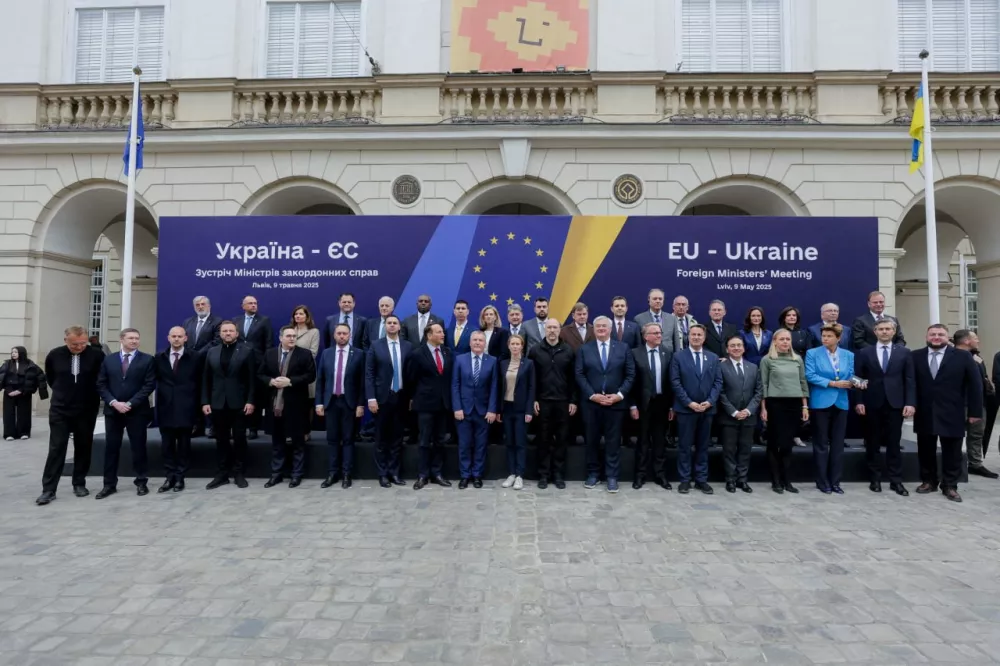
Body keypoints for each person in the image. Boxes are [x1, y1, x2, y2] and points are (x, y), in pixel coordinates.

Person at [913, 324, 983, 502]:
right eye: (933, 334)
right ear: (927, 336)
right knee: (925, 448)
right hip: (925, 411)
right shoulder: (915, 356)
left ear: (947, 337)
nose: (936, 337)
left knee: (952, 451)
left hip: (953, 411)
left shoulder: (963, 356)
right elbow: (911, 384)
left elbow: (975, 385)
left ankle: (950, 485)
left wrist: (975, 411)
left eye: (940, 334)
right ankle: (928, 481)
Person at [37, 326, 105, 505]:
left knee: (83, 447)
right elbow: (51, 378)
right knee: (56, 448)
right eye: (75, 344)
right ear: (66, 339)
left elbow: (101, 378)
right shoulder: (54, 355)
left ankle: (79, 483)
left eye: (83, 343)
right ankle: (49, 489)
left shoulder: (96, 355)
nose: (80, 347)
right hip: (61, 408)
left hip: (86, 408)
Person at [854, 319, 915, 496]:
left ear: (894, 331)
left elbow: (910, 380)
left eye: (888, 329)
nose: (884, 332)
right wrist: (859, 401)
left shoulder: (904, 352)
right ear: (875, 332)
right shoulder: (865, 352)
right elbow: (857, 378)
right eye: (881, 329)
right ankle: (875, 479)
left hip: (896, 404)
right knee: (872, 443)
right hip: (872, 402)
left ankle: (896, 481)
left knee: (894, 443)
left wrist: (910, 402)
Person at [94, 328, 155, 499]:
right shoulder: (109, 360)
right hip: (113, 411)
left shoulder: (147, 360)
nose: (134, 341)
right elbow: (101, 384)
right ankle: (109, 484)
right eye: (131, 338)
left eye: (137, 338)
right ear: (122, 339)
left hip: (137, 411)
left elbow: (149, 385)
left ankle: (141, 482)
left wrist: (130, 403)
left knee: (138, 447)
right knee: (111, 448)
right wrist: (114, 402)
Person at [576, 316, 635, 493]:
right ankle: (593, 474)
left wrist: (619, 395)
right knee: (592, 441)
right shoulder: (584, 349)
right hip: (591, 404)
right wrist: (592, 395)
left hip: (615, 404)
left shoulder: (623, 348)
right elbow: (579, 374)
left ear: (610, 329)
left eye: (604, 326)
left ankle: (612, 476)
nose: (601, 329)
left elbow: (630, 374)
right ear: (594, 329)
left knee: (613, 442)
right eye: (598, 326)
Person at [201, 321, 256, 490]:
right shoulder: (212, 351)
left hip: (239, 402)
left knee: (239, 439)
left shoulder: (247, 351)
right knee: (221, 439)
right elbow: (206, 379)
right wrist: (205, 401)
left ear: (237, 334)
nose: (227, 333)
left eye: (231, 331)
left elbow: (252, 379)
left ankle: (239, 472)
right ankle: (222, 474)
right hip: (217, 402)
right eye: (224, 331)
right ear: (220, 334)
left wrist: (250, 400)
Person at [260, 326, 316, 489]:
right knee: (277, 442)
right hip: (274, 405)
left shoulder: (304, 354)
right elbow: (260, 374)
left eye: (294, 336)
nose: (292, 338)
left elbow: (310, 375)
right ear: (280, 338)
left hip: (296, 405)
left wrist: (290, 381)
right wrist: (270, 381)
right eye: (288, 336)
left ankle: (296, 475)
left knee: (298, 442)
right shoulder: (270, 354)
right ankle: (276, 474)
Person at [669, 324, 722, 495]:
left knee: (703, 446)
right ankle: (685, 480)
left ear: (704, 337)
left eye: (700, 334)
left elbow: (718, 382)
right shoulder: (678, 357)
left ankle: (701, 480)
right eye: (693, 334)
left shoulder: (713, 357)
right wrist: (689, 403)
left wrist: (710, 401)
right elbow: (675, 382)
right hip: (686, 410)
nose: (696, 337)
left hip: (707, 409)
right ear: (688, 337)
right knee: (684, 446)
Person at [805, 324, 854, 495]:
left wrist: (854, 382)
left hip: (841, 402)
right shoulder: (813, 353)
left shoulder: (848, 355)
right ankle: (822, 481)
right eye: (823, 336)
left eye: (829, 336)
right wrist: (832, 383)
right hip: (820, 402)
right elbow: (810, 375)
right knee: (820, 444)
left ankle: (835, 481)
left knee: (838, 444)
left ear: (838, 338)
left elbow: (851, 374)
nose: (825, 339)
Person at [528, 317, 577, 489]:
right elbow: (531, 378)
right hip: (542, 403)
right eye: (549, 327)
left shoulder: (568, 351)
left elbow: (573, 379)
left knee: (561, 441)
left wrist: (573, 400)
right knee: (543, 440)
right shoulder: (535, 350)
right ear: (545, 330)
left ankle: (558, 475)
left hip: (563, 403)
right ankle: (543, 475)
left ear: (559, 330)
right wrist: (533, 399)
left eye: (555, 327)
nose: (552, 330)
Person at [759, 329, 810, 494]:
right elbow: (763, 385)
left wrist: (804, 405)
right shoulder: (767, 360)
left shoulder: (797, 359)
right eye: (782, 339)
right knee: (774, 444)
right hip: (775, 404)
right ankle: (775, 481)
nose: (785, 342)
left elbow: (803, 382)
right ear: (774, 341)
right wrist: (764, 408)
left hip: (794, 404)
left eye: (788, 339)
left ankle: (786, 480)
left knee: (788, 445)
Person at [315, 323, 365, 489]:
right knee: (332, 440)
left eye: (345, 333)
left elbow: (362, 383)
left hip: (349, 402)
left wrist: (360, 404)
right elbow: (321, 380)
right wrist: (319, 402)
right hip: (331, 402)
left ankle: (346, 474)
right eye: (339, 333)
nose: (342, 336)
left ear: (350, 336)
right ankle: (332, 473)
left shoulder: (358, 354)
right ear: (334, 335)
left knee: (348, 440)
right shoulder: (327, 354)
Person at [406, 322, 453, 489]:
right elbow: (411, 379)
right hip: (425, 405)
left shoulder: (447, 352)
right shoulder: (417, 354)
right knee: (424, 441)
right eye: (439, 332)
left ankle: (437, 473)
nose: (443, 335)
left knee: (440, 441)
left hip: (443, 405)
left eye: (442, 332)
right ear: (429, 335)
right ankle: (422, 475)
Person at [366, 314, 411, 487]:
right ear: (385, 326)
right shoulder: (376, 346)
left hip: (401, 398)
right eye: (389, 323)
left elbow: (410, 374)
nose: (392, 325)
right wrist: (371, 398)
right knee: (381, 439)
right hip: (381, 398)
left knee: (397, 438)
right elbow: (369, 374)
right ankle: (382, 473)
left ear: (400, 327)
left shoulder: (408, 346)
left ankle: (394, 473)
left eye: (395, 323)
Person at [155, 327, 200, 493]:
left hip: (186, 407)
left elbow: (200, 381)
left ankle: (180, 477)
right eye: (173, 336)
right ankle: (169, 476)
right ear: (168, 338)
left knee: (183, 445)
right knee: (167, 445)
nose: (176, 339)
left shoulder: (194, 357)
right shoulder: (159, 357)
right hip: (165, 407)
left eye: (180, 336)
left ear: (186, 338)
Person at [629, 322, 673, 490]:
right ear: (645, 336)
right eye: (655, 333)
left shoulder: (667, 353)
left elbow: (671, 382)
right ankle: (640, 476)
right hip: (642, 404)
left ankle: (660, 475)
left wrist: (671, 406)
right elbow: (631, 382)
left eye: (660, 332)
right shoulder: (635, 353)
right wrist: (632, 405)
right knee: (643, 442)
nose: (659, 335)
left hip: (662, 404)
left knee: (660, 442)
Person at [452, 331, 499, 489]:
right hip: (463, 411)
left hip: (484, 411)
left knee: (481, 445)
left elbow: (494, 387)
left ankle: (477, 475)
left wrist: (492, 409)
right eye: (475, 340)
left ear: (484, 343)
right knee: (464, 444)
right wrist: (457, 407)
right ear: (470, 343)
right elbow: (455, 385)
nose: (478, 343)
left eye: (480, 340)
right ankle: (465, 475)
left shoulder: (492, 361)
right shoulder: (459, 359)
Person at [717, 336, 762, 493]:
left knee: (745, 449)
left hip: (748, 417)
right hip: (729, 416)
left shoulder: (753, 367)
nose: (736, 348)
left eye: (739, 345)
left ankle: (742, 479)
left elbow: (758, 391)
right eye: (732, 345)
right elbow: (720, 392)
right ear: (727, 349)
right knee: (729, 450)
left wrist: (748, 410)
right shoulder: (721, 367)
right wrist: (734, 412)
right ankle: (730, 479)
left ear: (744, 348)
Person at [953, 330, 997, 478]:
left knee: (977, 434)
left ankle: (975, 464)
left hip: (978, 403)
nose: (978, 341)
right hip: (959, 404)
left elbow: (982, 380)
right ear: (966, 341)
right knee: (955, 436)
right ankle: (955, 464)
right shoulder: (951, 357)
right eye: (975, 338)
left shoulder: (977, 357)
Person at [235, 295, 274, 440]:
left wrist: (266, 362)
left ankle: (253, 428)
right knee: (240, 395)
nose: (253, 305)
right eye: (250, 303)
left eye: (255, 303)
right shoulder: (236, 321)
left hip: (257, 363)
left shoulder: (264, 320)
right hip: (238, 363)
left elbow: (268, 343)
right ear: (243, 306)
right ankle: (240, 427)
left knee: (255, 396)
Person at [500, 334, 535, 490]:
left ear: (522, 346)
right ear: (508, 346)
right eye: (512, 344)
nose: (515, 346)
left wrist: (529, 410)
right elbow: (498, 387)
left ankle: (520, 475)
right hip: (506, 408)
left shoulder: (528, 364)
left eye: (518, 344)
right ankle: (511, 473)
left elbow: (531, 388)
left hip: (521, 410)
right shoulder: (502, 364)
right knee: (510, 442)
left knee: (520, 442)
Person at [1, 346, 47, 441]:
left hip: (24, 392)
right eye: (12, 352)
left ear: (21, 353)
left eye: (16, 352)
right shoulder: (7, 364)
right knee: (8, 414)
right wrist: (9, 390)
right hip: (9, 392)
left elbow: (40, 377)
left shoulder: (30, 365)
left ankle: (24, 432)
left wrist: (21, 390)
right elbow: (1, 377)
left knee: (24, 413)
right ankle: (9, 434)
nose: (13, 354)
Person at [290, 304, 320, 439]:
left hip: (306, 372)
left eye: (301, 314)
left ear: (307, 316)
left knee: (307, 404)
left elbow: (313, 352)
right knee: (292, 405)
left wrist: (296, 359)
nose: (298, 316)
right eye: (296, 314)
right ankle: (292, 431)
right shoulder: (288, 330)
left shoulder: (314, 332)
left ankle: (306, 432)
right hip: (289, 373)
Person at [634, 288, 674, 353]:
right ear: (649, 300)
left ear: (663, 301)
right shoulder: (639, 319)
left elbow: (676, 342)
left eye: (660, 299)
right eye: (655, 299)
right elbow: (638, 343)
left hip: (669, 355)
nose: (658, 301)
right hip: (647, 356)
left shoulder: (672, 318)